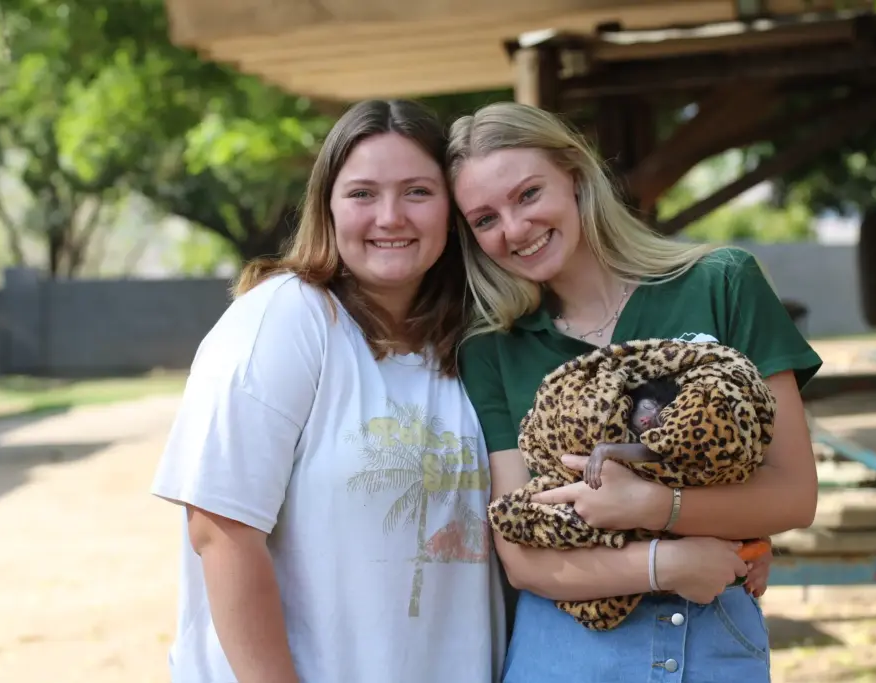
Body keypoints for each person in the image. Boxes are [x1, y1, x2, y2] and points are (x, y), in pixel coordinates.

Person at [447, 101, 822, 682]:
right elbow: (521, 555)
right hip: (565, 649)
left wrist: (654, 505)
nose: (514, 229)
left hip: (712, 633)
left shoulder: (722, 283)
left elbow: (794, 495)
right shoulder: (492, 348)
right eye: (484, 219)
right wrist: (662, 561)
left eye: (527, 194)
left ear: (574, 176)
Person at [149, 99, 507, 683]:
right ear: (328, 207)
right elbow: (220, 530)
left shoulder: (472, 342)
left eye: (417, 191)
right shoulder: (286, 317)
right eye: (363, 193)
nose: (390, 216)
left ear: (452, 208)